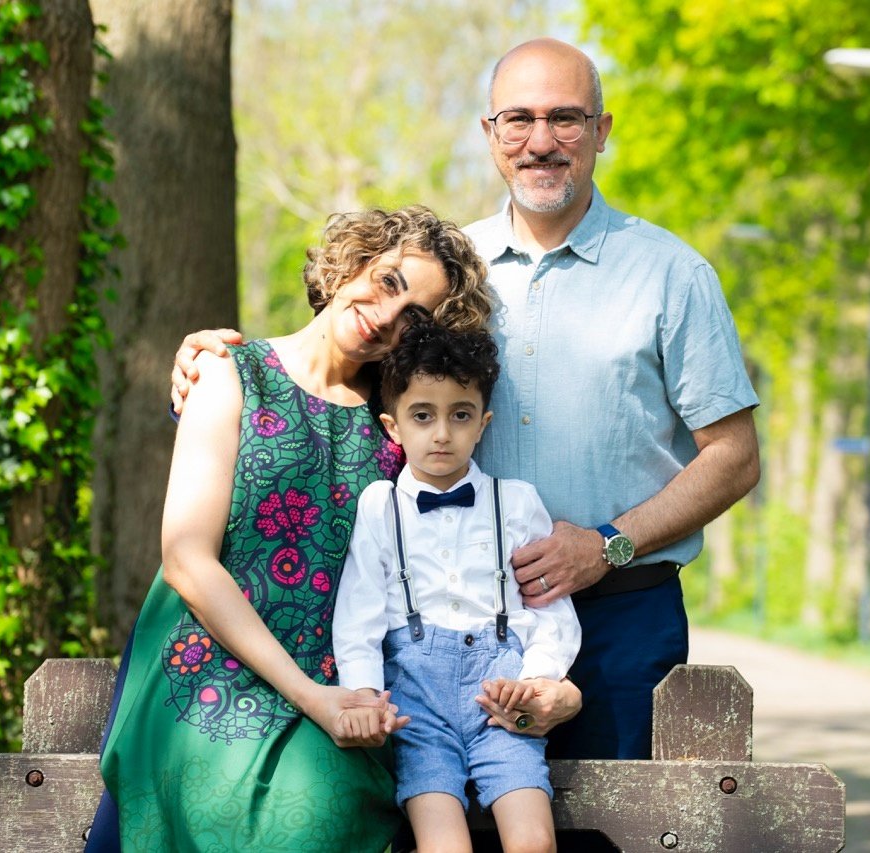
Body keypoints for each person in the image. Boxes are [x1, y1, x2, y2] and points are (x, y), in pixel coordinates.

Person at [171, 37, 760, 763]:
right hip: (445, 631)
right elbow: (351, 374)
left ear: (602, 131)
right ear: (490, 135)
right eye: (518, 118)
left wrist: (608, 544)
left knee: (619, 830)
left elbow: (734, 458)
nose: (540, 141)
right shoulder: (450, 280)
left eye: (566, 118)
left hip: (620, 617)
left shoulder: (672, 274)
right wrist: (219, 371)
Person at [85, 206, 495, 853]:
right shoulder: (228, 370)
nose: (387, 314)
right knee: (235, 804)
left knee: (315, 815)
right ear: (355, 260)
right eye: (388, 281)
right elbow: (187, 558)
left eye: (413, 317)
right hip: (208, 666)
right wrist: (312, 698)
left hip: (343, 684)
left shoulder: (400, 430)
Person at [333, 323, 580, 853]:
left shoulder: (514, 501)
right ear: (393, 426)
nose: (441, 433)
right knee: (444, 845)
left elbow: (551, 610)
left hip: (501, 694)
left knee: (534, 840)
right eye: (422, 415)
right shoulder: (378, 505)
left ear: (482, 423)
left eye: (459, 415)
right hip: (415, 702)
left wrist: (537, 680)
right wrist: (363, 694)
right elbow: (359, 614)